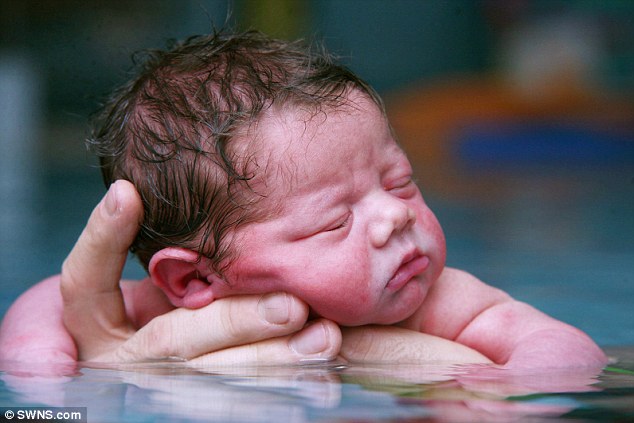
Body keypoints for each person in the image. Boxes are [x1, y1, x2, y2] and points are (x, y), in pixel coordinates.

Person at [0, 30, 606, 370]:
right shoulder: (151, 312)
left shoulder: (442, 304)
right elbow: (46, 303)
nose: (395, 215)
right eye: (336, 221)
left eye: (400, 181)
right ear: (193, 281)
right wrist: (45, 374)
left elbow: (568, 357)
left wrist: (486, 394)